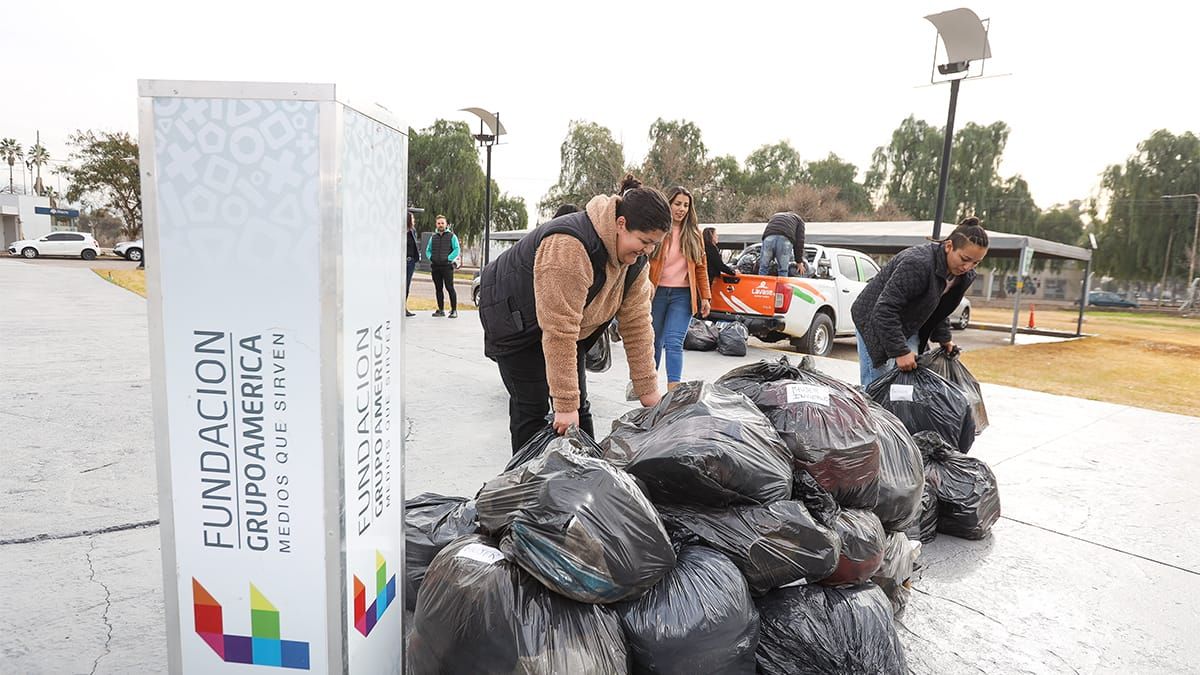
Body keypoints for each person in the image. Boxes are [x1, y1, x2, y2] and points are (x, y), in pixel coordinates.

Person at [480, 174, 668, 452]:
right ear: (621, 224)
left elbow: (638, 325)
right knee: (533, 406)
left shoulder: (636, 264)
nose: (647, 251)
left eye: (655, 244)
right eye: (644, 241)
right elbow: (559, 329)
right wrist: (565, 406)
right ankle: (524, 486)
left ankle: (588, 477)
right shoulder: (570, 246)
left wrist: (648, 391)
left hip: (568, 330)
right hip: (515, 322)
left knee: (578, 407)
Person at [851, 217, 990, 387]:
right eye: (964, 259)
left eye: (975, 263)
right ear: (948, 246)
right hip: (872, 319)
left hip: (907, 324)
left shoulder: (962, 277)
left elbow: (938, 308)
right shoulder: (918, 264)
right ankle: (871, 412)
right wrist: (900, 351)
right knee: (877, 386)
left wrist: (945, 339)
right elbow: (884, 310)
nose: (968, 267)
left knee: (908, 384)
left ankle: (897, 413)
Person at [648, 186, 712, 391]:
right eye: (677, 204)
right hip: (656, 293)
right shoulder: (656, 229)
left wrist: (706, 298)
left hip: (683, 296)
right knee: (654, 341)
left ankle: (673, 391)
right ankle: (649, 388)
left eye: (686, 205)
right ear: (668, 204)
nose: (681, 209)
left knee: (674, 342)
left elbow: (701, 268)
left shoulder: (694, 234)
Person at [425, 215, 460, 318]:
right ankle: (441, 310)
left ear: (446, 224)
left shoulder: (452, 236)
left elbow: (456, 249)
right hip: (435, 267)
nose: (440, 225)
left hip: (447, 267)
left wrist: (448, 258)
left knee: (450, 288)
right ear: (436, 224)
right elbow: (428, 250)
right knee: (438, 289)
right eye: (438, 223)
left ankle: (454, 310)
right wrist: (431, 258)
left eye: (442, 223)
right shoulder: (433, 237)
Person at [758, 211, 807, 276]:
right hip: (784, 239)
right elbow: (799, 243)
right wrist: (799, 261)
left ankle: (761, 284)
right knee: (783, 270)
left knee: (763, 268)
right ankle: (781, 285)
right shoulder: (799, 220)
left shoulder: (775, 215)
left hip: (768, 237)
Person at [405, 211, 420, 317]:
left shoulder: (412, 231)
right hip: (400, 261)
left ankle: (403, 307)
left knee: (406, 285)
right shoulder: (400, 231)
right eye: (412, 219)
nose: (414, 221)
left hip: (410, 262)